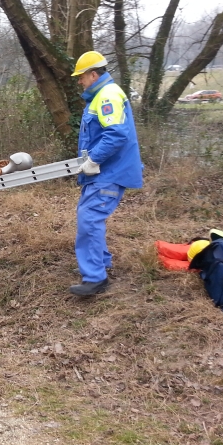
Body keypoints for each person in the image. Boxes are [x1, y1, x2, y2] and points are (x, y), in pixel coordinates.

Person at [71, 51, 143, 296]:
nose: (80, 82)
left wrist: (94, 159)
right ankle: (99, 264)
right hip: (103, 172)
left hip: (109, 171)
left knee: (89, 218)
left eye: (81, 77)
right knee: (88, 216)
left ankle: (95, 278)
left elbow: (116, 134)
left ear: (93, 75)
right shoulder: (100, 96)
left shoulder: (107, 95)